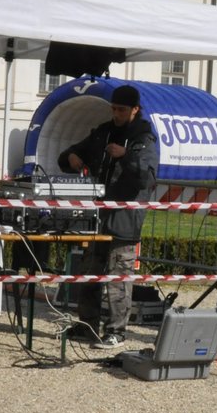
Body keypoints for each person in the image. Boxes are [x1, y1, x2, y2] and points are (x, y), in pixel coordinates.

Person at [59, 84, 159, 348]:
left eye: (122, 109)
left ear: (135, 110)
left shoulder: (144, 138)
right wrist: (70, 156)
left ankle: (117, 331)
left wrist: (126, 156)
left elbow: (145, 177)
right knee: (89, 272)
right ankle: (86, 325)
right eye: (114, 108)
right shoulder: (103, 132)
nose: (116, 113)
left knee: (118, 276)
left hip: (126, 218)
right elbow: (69, 153)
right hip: (98, 216)